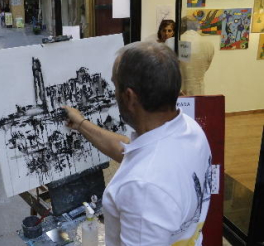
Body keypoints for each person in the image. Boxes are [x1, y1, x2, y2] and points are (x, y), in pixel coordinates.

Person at [63, 41, 212, 245]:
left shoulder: (144, 188)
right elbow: (129, 151)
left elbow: (145, 174)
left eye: (115, 86)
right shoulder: (189, 128)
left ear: (130, 97)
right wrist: (81, 123)